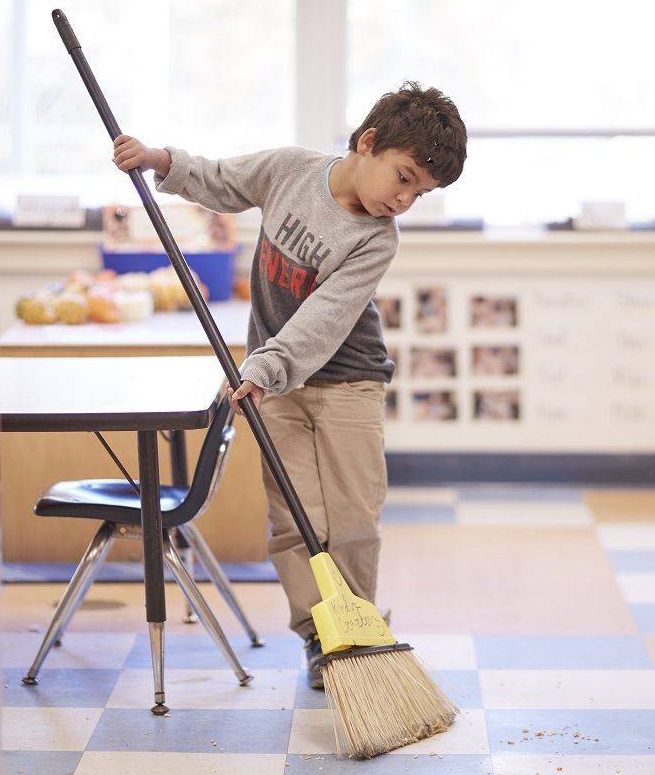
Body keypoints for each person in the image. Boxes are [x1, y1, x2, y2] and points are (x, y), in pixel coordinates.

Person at [112, 81, 467, 688]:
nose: (405, 199)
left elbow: (323, 321)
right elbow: (220, 180)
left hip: (346, 382)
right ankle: (321, 639)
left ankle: (357, 632)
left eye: (420, 192)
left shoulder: (378, 238)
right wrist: (159, 160)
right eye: (403, 177)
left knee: (353, 518)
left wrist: (263, 367)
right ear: (368, 142)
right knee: (293, 518)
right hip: (273, 384)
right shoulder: (290, 170)